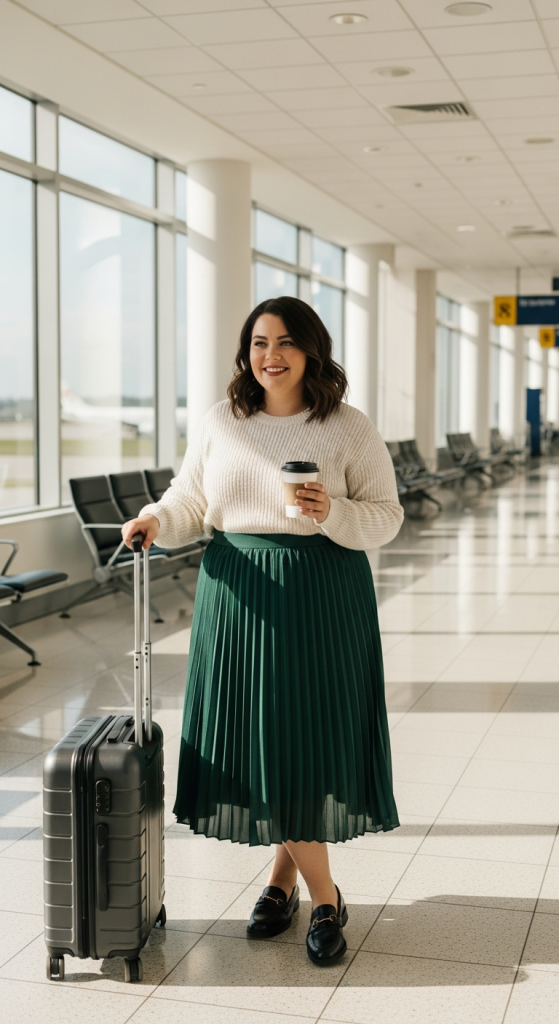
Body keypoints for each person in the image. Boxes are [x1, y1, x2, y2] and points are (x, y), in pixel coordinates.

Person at [122, 296, 403, 966]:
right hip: (236, 590)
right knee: (265, 742)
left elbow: (386, 516)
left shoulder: (347, 427)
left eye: (282, 342)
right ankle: (286, 884)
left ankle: (322, 896)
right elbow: (192, 498)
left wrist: (330, 510)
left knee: (300, 738)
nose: (268, 356)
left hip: (322, 591)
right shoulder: (224, 422)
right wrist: (157, 520)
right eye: (256, 343)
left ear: (311, 350)